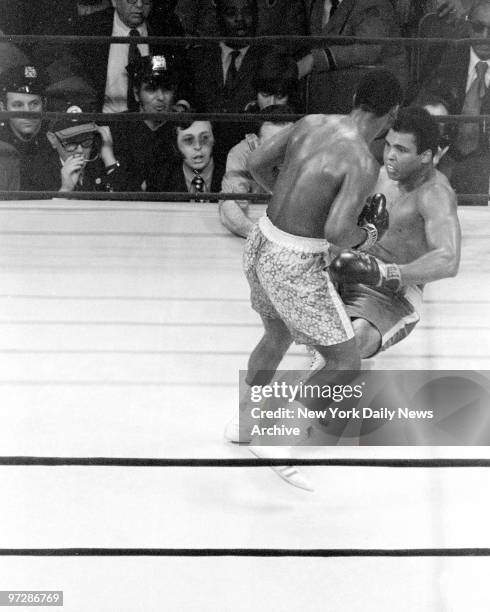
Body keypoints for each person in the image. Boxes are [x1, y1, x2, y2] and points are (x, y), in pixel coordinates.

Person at [254, 107, 462, 492]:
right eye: (390, 145)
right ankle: (251, 419)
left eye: (403, 150)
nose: (391, 156)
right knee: (286, 319)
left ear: (428, 156)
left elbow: (449, 259)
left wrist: (391, 273)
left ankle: (283, 434)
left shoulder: (436, 195)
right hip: (344, 267)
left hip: (392, 292)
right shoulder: (374, 170)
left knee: (358, 340)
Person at [224, 69, 403, 490]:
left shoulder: (311, 122)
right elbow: (339, 233)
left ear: (356, 96)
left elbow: (255, 163)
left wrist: (287, 199)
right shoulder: (362, 160)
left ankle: (244, 424)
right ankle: (278, 435)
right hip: (294, 262)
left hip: (260, 242)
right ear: (392, 115)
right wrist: (372, 235)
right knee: (345, 361)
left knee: (276, 335)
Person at [417, 0, 490, 194]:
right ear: (468, 25)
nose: (485, 37)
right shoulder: (446, 55)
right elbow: (425, 102)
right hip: (444, 157)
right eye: (478, 27)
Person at [74, 0, 190, 112]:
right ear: (114, 1)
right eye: (131, 0)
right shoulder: (89, 29)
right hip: (103, 123)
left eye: (146, 0)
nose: (139, 5)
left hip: (152, 124)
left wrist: (182, 106)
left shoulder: (166, 28)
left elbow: (184, 76)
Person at [298, 0, 408, 114]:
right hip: (328, 88)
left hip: (375, 92)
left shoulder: (373, 4)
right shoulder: (316, 4)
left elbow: (367, 50)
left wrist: (314, 60)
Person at [111, 54, 189, 191]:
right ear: (136, 94)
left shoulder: (182, 130)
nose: (160, 97)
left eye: (167, 89)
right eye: (151, 89)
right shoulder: (117, 128)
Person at [219, 105, 295, 237]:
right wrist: (259, 237)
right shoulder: (242, 153)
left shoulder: (306, 152)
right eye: (272, 144)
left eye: (286, 143)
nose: (280, 152)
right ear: (255, 141)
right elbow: (229, 206)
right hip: (256, 230)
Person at [29, 103, 127, 192]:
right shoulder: (38, 171)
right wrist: (65, 190)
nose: (80, 150)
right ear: (52, 139)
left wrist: (109, 160)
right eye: (71, 143)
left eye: (87, 141)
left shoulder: (100, 159)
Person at [0, 64, 49, 191]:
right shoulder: (3, 149)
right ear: (3, 108)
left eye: (34, 104)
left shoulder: (53, 144)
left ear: (44, 105)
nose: (28, 112)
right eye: (18, 105)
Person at [152, 119, 225, 199]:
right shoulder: (160, 180)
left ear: (214, 140)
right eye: (188, 140)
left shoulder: (231, 173)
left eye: (204, 138)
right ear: (176, 146)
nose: (198, 146)